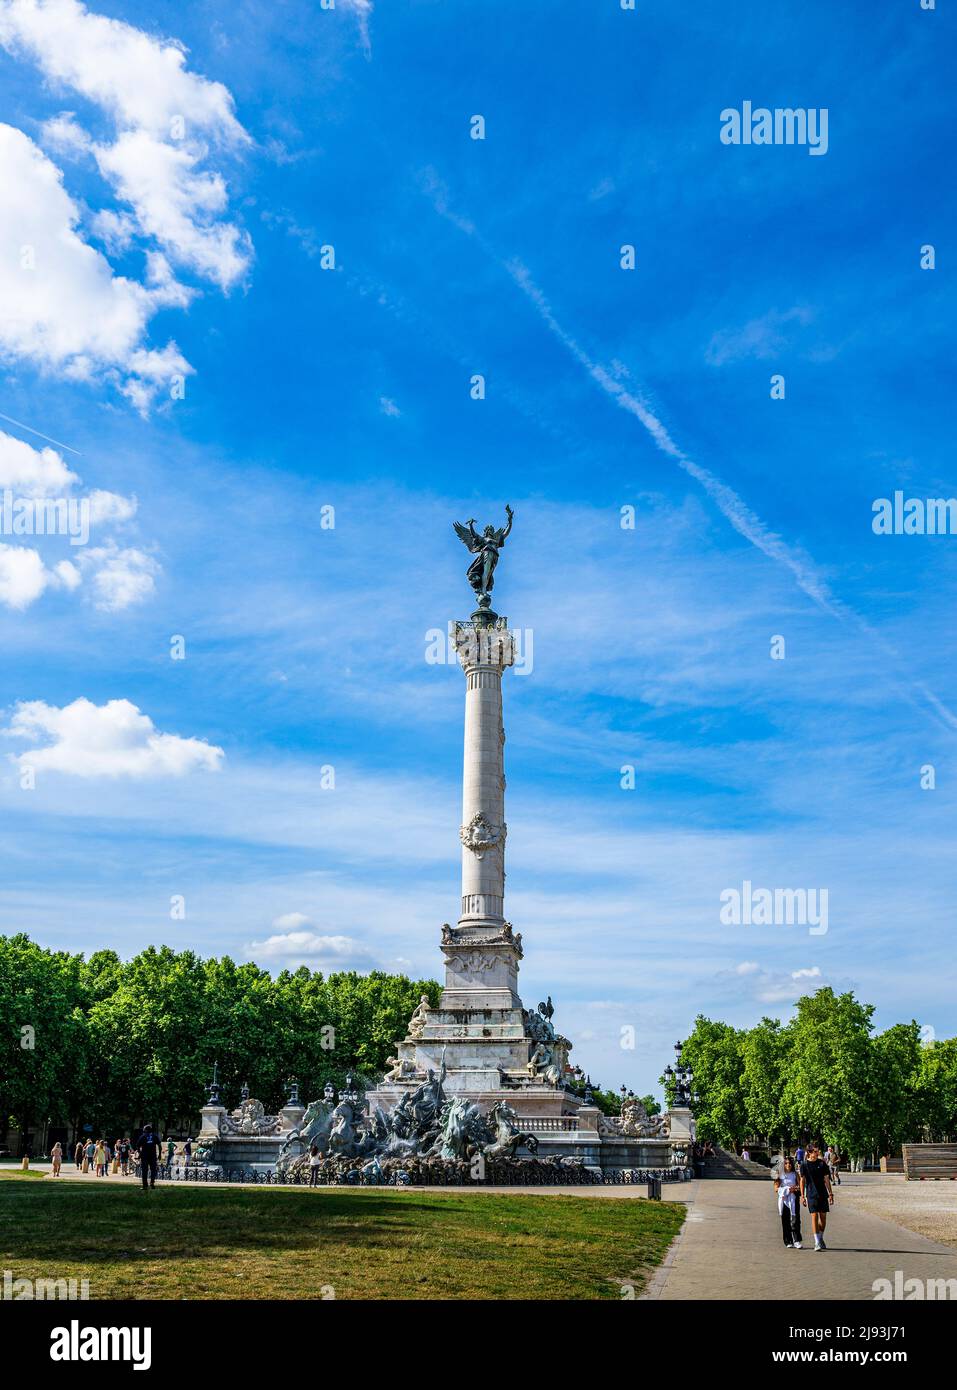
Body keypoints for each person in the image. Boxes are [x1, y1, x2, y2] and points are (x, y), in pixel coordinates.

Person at [800, 1143, 834, 1250]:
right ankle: (816, 1242)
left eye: (817, 1151)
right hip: (811, 1194)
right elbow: (802, 1180)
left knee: (823, 1218)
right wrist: (802, 1195)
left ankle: (820, 1237)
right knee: (814, 1216)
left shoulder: (822, 1164)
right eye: (815, 1151)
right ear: (809, 1153)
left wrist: (831, 1194)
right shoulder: (804, 1165)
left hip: (823, 1193)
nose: (817, 1153)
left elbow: (827, 1179)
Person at [773, 1156, 802, 1248]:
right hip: (784, 1200)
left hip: (794, 1198)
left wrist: (795, 1189)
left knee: (795, 1219)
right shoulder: (780, 1175)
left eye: (789, 1163)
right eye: (786, 1163)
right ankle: (788, 1240)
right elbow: (776, 1188)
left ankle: (796, 1240)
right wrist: (786, 1189)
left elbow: (800, 1186)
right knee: (785, 1220)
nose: (788, 1165)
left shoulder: (795, 1174)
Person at [134, 1124, 162, 1191]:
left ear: (146, 1130)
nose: (143, 1130)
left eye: (144, 1129)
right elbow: (159, 1146)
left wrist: (140, 1153)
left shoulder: (143, 1137)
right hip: (153, 1156)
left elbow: (137, 1145)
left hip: (144, 1156)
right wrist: (160, 1154)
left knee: (144, 1171)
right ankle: (152, 1183)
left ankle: (145, 1186)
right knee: (153, 1170)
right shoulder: (155, 1136)